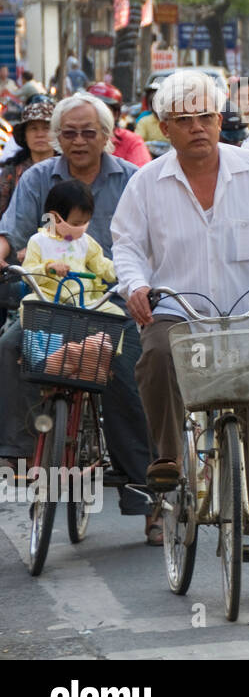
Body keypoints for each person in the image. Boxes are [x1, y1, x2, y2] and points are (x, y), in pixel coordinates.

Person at [112, 69, 249, 591]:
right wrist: (135, 284)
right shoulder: (146, 183)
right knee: (154, 353)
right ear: (164, 127)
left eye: (206, 117)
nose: (198, 128)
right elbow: (128, 245)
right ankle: (167, 457)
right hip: (179, 312)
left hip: (248, 316)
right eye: (184, 120)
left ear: (220, 118)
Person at [0, 92, 155, 537]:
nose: (79, 141)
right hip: (48, 301)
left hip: (112, 301)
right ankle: (21, 454)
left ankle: (145, 496)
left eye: (89, 132)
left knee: (125, 374)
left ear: (107, 136)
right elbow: (11, 233)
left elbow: (152, 242)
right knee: (11, 349)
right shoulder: (37, 178)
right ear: (55, 137)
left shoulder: (132, 179)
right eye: (69, 133)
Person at [23, 179, 115, 301]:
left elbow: (101, 265)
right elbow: (27, 274)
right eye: (76, 224)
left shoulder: (86, 241)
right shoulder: (39, 241)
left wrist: (121, 271)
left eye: (85, 223)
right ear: (55, 217)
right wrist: (47, 268)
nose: (81, 228)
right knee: (29, 302)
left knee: (115, 313)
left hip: (84, 300)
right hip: (48, 299)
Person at [0, 98, 56, 217]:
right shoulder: (12, 172)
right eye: (33, 128)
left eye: (46, 128)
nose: (40, 134)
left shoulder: (68, 168)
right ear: (24, 135)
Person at [88, 82, 152, 168]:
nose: (94, 116)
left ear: (116, 114)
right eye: (90, 110)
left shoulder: (131, 141)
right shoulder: (73, 138)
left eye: (103, 112)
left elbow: (141, 174)